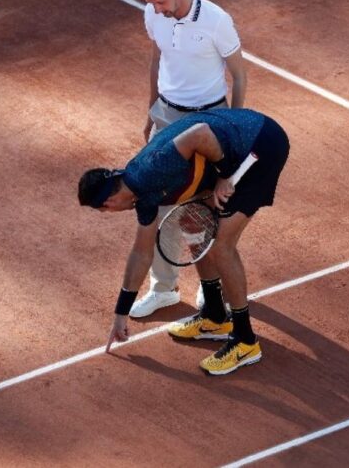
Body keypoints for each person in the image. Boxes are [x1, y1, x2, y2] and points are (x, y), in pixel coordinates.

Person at [78, 108, 289, 375]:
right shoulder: (139, 193)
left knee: (223, 246)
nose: (108, 213)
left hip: (259, 145)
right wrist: (121, 313)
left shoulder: (151, 170)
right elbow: (141, 254)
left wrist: (225, 174)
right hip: (235, 144)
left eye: (103, 211)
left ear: (107, 203)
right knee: (192, 221)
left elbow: (199, 134)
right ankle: (214, 315)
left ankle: (245, 341)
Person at [131, 0, 248, 318]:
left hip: (207, 121)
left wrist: (233, 128)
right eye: (151, 4)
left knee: (204, 208)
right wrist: (152, 110)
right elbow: (156, 60)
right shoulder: (153, 14)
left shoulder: (216, 21)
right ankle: (163, 288)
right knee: (160, 202)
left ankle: (212, 288)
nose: (156, 10)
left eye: (161, 2)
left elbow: (240, 77)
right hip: (167, 116)